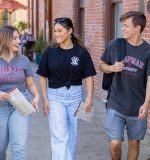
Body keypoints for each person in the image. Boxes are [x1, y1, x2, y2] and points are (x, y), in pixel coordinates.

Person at [100, 11, 150, 160]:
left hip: (137, 106)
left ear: (138, 28)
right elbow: (102, 65)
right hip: (116, 103)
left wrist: (146, 104)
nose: (123, 29)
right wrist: (111, 68)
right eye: (122, 26)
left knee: (134, 143)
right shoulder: (115, 45)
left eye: (126, 26)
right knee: (115, 143)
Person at [37, 17, 96, 160]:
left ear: (70, 31)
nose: (56, 34)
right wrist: (45, 99)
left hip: (76, 97)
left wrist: (88, 99)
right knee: (59, 136)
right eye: (55, 31)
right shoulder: (49, 52)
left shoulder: (82, 52)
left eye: (60, 31)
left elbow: (89, 77)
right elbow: (43, 76)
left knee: (72, 135)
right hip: (55, 97)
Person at [0, 25, 39, 160]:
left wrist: (37, 95)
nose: (19, 41)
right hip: (1, 107)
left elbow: (30, 83)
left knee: (19, 147)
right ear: (4, 40)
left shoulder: (24, 60)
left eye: (19, 38)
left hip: (21, 105)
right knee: (0, 148)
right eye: (15, 38)